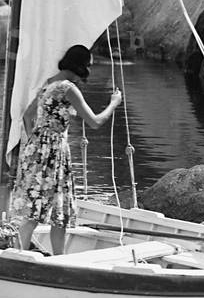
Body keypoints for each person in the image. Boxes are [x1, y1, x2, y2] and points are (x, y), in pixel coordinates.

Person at [12, 44, 122, 254]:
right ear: (80, 65)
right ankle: (52, 258)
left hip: (37, 149)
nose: (89, 69)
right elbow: (95, 122)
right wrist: (114, 103)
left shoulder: (49, 83)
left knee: (36, 208)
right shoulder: (68, 88)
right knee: (56, 210)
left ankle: (20, 255)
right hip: (55, 152)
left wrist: (36, 141)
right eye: (88, 65)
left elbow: (27, 116)